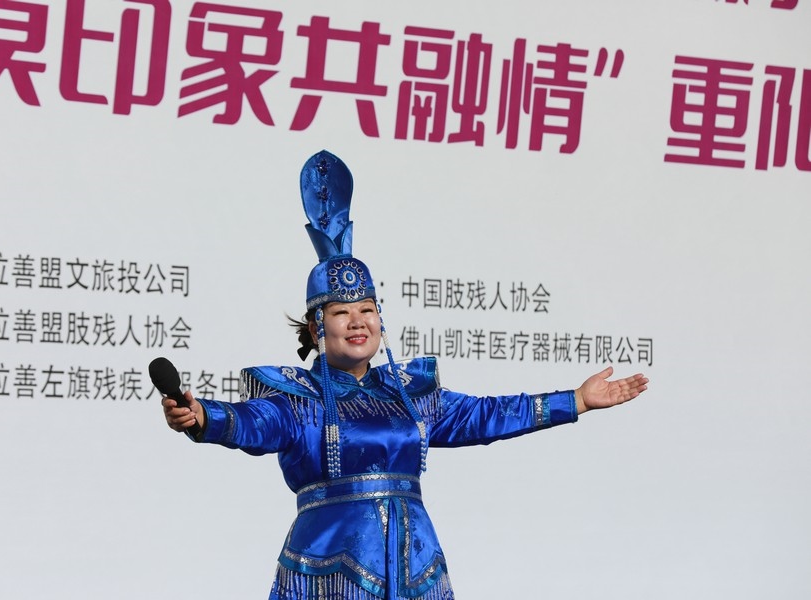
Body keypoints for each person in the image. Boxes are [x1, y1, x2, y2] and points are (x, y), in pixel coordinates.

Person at [161, 150, 648, 600]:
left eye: (367, 310)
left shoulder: (411, 394)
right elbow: (250, 422)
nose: (358, 322)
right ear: (316, 327)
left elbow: (487, 415)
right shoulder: (297, 399)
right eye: (342, 313)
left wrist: (576, 400)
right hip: (330, 571)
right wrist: (203, 417)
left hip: (415, 565)